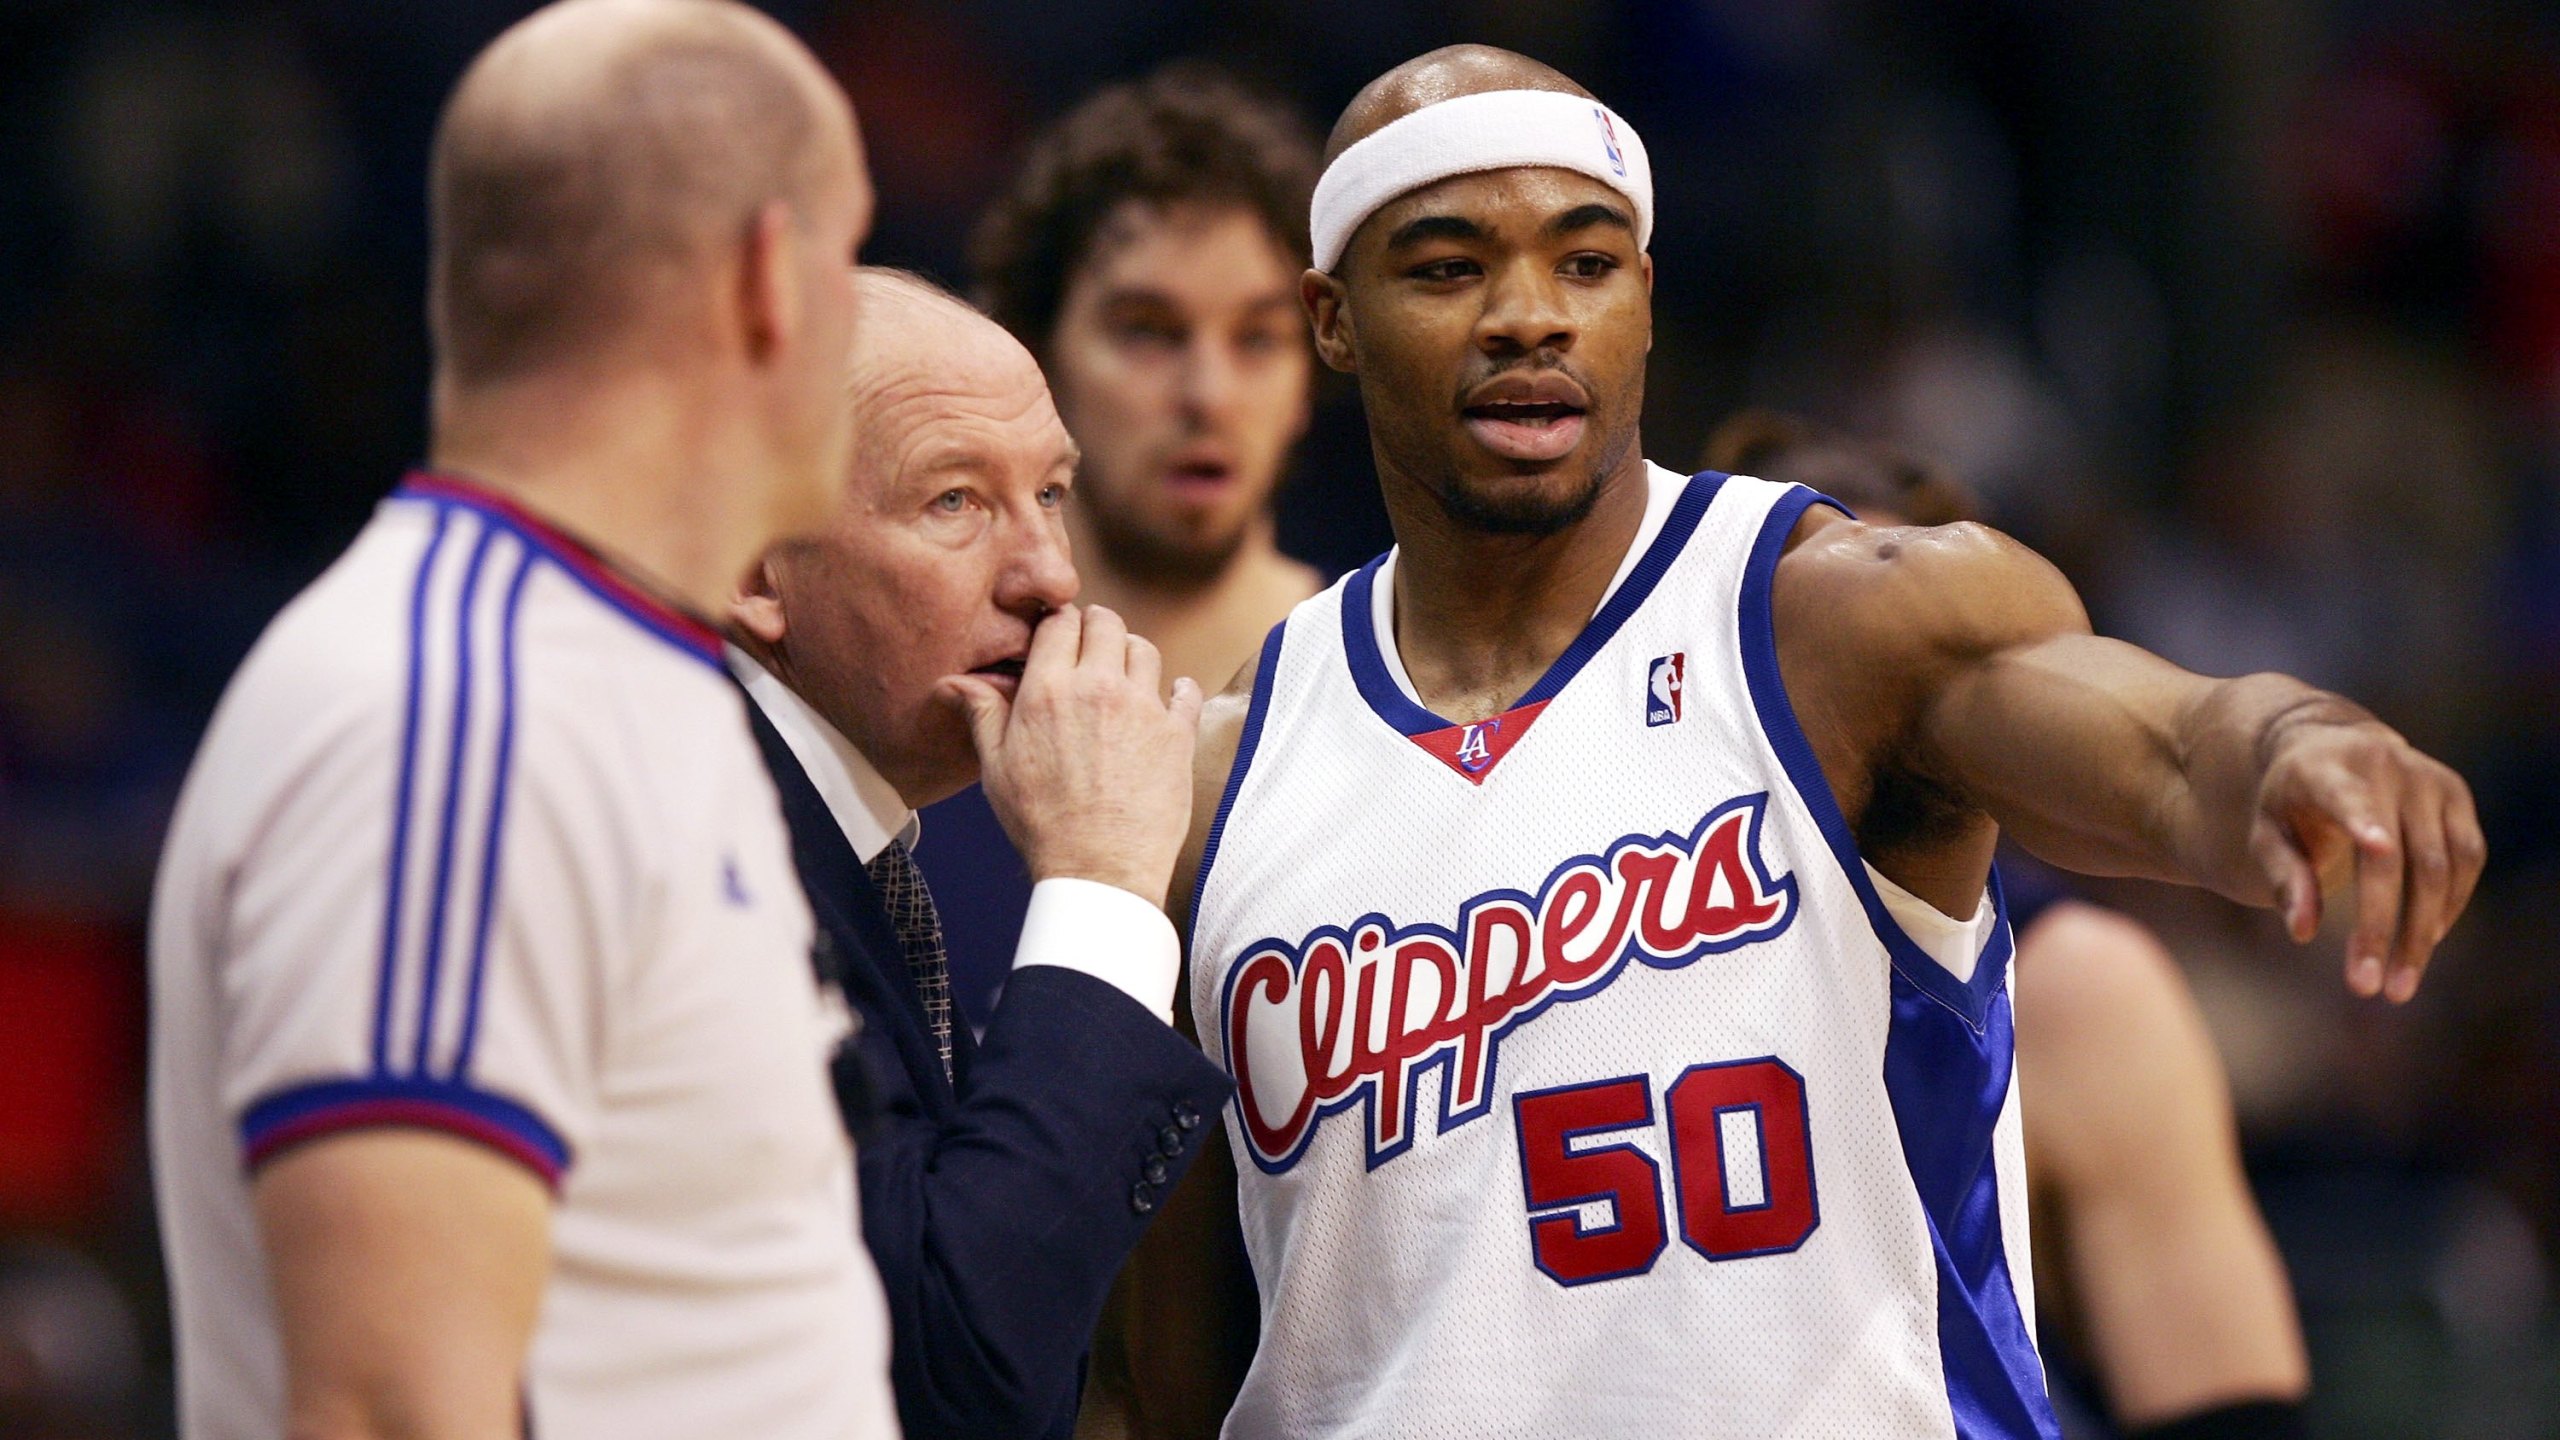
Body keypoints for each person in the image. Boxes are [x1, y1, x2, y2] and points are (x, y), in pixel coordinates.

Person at [1126, 44, 2482, 1440]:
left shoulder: (1830, 623)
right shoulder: (1214, 781)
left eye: (1586, 264)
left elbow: (2178, 742)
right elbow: (1160, 1376)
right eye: (1449, 268)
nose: (1528, 316)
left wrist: (2303, 742)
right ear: (1334, 320)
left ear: (1646, 300)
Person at [146, 3, 894, 1437]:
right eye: (848, 255)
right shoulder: (462, 711)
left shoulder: (605, 676)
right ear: (766, 280)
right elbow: (380, 1405)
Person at [1705, 410, 2312, 1439]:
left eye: (1909, 651)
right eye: (1818, 644)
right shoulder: (1564, 955)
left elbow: (2227, 1412)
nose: (1867, 670)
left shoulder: (2074, 986)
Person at [726, 267, 1232, 1440]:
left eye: (1050, 492)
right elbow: (963, 1370)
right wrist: (1102, 880)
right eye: (954, 501)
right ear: (754, 566)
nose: (1050, 574)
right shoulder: (716, 850)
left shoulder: (807, 821)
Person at [917, 64, 1329, 1026]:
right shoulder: (928, 725)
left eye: (1261, 338)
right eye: (1147, 332)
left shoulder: (1396, 697)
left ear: (1319, 363)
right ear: (1038, 353)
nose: (1208, 396)